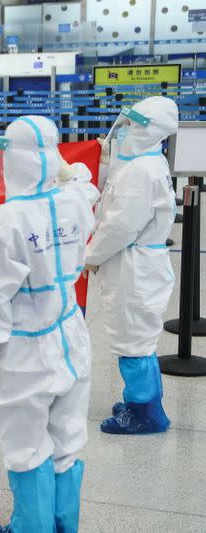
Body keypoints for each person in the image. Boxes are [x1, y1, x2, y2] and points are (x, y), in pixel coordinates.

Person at [0, 116, 99, 533]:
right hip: (70, 335)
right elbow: (85, 182)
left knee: (25, 447)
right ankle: (64, 525)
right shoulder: (76, 202)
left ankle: (31, 528)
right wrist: (67, 168)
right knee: (67, 440)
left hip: (25, 348)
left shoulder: (3, 221)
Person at [85, 96, 179, 435]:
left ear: (149, 129)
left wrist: (89, 256)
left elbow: (120, 226)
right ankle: (142, 402)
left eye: (131, 125)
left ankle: (145, 414)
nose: (124, 130)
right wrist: (107, 159)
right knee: (137, 339)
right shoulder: (146, 161)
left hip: (135, 267)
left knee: (133, 342)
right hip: (138, 264)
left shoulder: (142, 171)